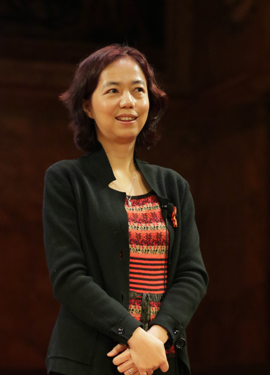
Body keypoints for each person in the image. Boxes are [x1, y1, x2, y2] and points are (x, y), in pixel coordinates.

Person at [43, 45, 208, 375]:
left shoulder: (174, 186)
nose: (128, 101)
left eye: (138, 90)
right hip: (91, 362)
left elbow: (192, 275)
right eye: (113, 90)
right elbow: (68, 277)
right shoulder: (66, 180)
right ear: (88, 105)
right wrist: (134, 336)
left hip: (160, 361)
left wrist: (155, 340)